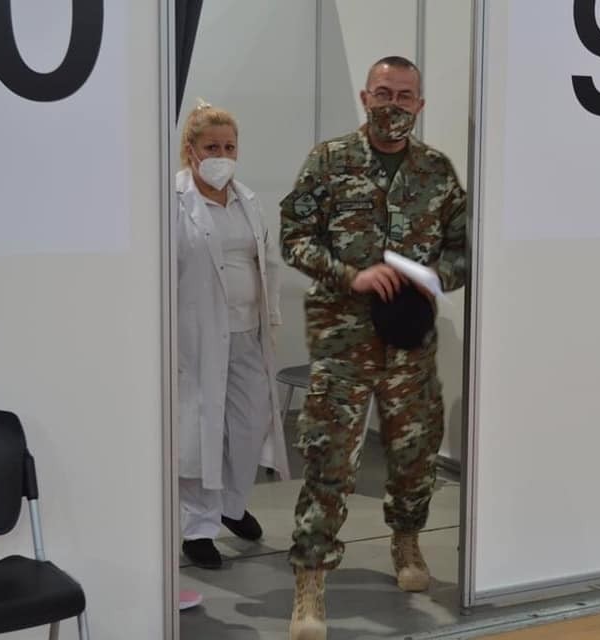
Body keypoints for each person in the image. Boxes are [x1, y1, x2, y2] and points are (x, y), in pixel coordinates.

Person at [279, 56, 466, 639]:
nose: (393, 105)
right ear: (365, 98)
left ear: (420, 104)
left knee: (415, 458)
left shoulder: (436, 171)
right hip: (343, 340)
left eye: (404, 96)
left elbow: (463, 249)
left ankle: (407, 541)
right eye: (383, 93)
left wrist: (435, 276)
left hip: (409, 342)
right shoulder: (330, 161)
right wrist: (348, 275)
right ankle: (310, 581)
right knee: (329, 460)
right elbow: (293, 236)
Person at [176, 101, 290, 570]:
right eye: (211, 147)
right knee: (199, 430)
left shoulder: (247, 200)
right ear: (190, 150)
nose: (222, 155)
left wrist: (272, 319)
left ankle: (232, 505)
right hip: (196, 337)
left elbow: (268, 262)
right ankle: (198, 527)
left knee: (249, 424)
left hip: (248, 332)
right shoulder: (173, 202)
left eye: (229, 146)